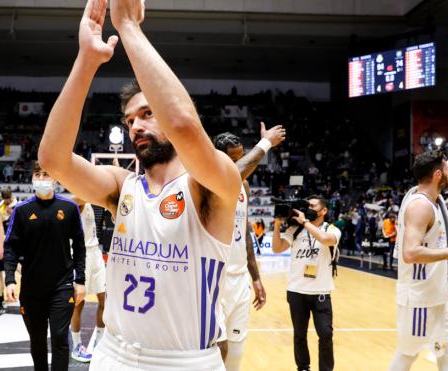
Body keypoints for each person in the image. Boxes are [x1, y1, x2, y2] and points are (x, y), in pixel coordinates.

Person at [37, 0, 241, 369]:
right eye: (130, 119)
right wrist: (87, 59)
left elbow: (182, 126)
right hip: (113, 354)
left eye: (148, 114)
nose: (136, 126)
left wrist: (128, 27)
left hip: (183, 361)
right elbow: (52, 159)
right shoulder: (123, 185)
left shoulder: (214, 181)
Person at [388, 129, 448, 371]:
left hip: (437, 295)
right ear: (438, 175)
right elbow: (410, 253)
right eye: (445, 170)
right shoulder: (420, 206)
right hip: (419, 299)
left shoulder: (428, 194)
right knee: (407, 355)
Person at [212, 128, 285, 370]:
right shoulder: (209, 181)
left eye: (241, 157)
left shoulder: (244, 187)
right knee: (216, 348)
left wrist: (255, 278)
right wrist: (265, 144)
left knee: (236, 348)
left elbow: (244, 234)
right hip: (214, 279)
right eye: (234, 160)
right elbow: (231, 174)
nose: (240, 164)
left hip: (239, 278)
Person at [4, 162, 86, 371]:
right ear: (32, 178)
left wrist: (80, 280)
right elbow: (11, 247)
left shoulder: (69, 208)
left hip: (62, 284)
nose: (41, 178)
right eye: (38, 174)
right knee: (37, 339)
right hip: (32, 287)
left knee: (60, 337)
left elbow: (79, 246)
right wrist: (10, 280)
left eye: (46, 174)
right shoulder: (21, 211)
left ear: (56, 178)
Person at [271, 195, 341, 371]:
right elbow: (277, 248)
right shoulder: (295, 230)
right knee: (299, 335)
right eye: (307, 205)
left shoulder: (332, 228)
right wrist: (277, 224)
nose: (308, 208)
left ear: (323, 210)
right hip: (296, 291)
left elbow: (326, 240)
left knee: (325, 334)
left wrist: (306, 223)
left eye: (312, 206)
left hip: (321, 292)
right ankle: (303, 367)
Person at [70, 197, 106, 363]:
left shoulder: (92, 200)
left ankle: (100, 342)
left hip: (96, 252)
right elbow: (79, 196)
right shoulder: (78, 200)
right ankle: (77, 345)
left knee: (105, 301)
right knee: (79, 302)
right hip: (80, 255)